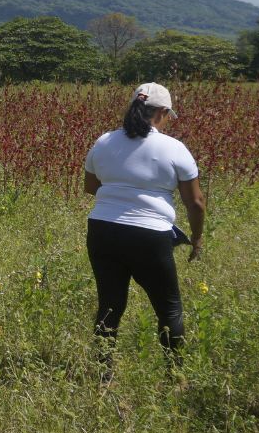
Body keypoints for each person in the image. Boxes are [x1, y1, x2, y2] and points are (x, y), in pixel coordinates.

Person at [81, 82, 206, 371]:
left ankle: (103, 374)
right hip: (150, 236)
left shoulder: (104, 142)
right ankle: (176, 376)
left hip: (102, 230)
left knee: (110, 305)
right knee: (169, 307)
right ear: (163, 112)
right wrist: (196, 240)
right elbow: (196, 203)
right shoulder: (173, 148)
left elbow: (90, 187)